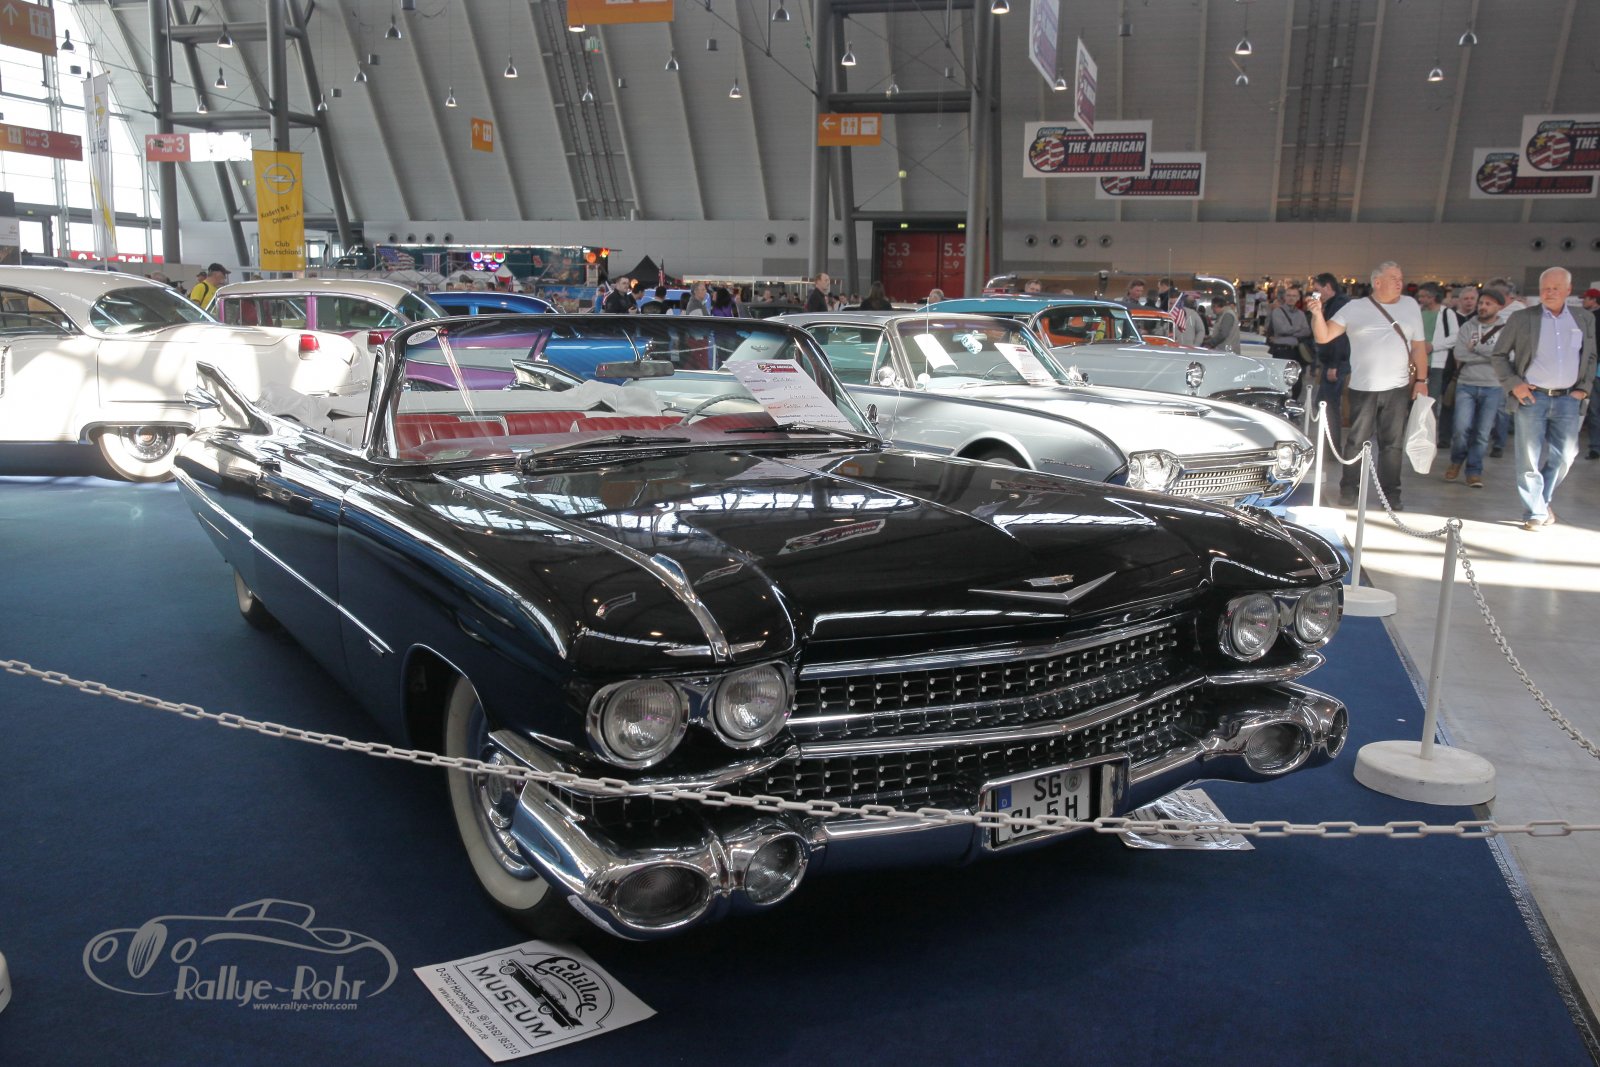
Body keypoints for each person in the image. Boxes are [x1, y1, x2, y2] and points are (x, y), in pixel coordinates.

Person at [1308, 261, 1429, 510]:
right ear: (1377, 282)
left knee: (1392, 445)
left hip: (1398, 387)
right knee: (1357, 440)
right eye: (1394, 278)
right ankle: (1348, 489)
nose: (1400, 282)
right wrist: (1317, 315)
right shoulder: (1355, 308)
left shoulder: (1410, 305)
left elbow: (1418, 347)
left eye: (1400, 277)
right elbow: (1323, 335)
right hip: (1363, 387)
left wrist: (1421, 381)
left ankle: (1391, 494)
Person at [1490, 267, 1598, 530]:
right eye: (1545, 288)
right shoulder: (1522, 318)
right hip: (1532, 398)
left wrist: (1583, 389)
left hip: (1568, 399)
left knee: (1565, 456)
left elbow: (1591, 355)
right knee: (1528, 459)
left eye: (1556, 288)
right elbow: (1499, 355)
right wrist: (1515, 385)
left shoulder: (1583, 318)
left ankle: (1542, 500)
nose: (1550, 293)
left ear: (1568, 290)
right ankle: (1534, 512)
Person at [1444, 286, 1509, 489]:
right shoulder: (1467, 327)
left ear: (1499, 307)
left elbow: (1507, 357)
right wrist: (1491, 355)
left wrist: (1477, 349)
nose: (1482, 307)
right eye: (1481, 303)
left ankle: (1474, 471)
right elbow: (1460, 354)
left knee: (1482, 433)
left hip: (1493, 386)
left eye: (1488, 304)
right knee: (1461, 428)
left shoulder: (1506, 330)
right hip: (1466, 384)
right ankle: (1456, 460)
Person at [1417, 282, 1461, 443]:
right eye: (1420, 296)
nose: (1421, 299)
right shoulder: (1418, 312)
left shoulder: (1446, 313)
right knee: (1416, 401)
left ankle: (1430, 435)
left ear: (1434, 297)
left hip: (1437, 363)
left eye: (1425, 296)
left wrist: (1434, 346)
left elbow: (1455, 336)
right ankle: (1417, 433)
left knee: (1432, 401)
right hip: (1418, 362)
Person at [1310, 274, 1351, 436]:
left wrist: (1334, 364)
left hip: (1337, 362)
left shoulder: (1339, 305)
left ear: (1327, 287)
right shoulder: (1333, 304)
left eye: (1317, 289)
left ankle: (1331, 443)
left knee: (1327, 404)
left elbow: (1339, 338)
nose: (1316, 294)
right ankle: (1329, 442)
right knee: (1323, 403)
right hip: (1332, 361)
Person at [1265, 285, 1312, 399]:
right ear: (1284, 297)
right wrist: (1298, 330)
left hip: (1296, 352)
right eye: (1289, 295)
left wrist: (1290, 331)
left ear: (1298, 298)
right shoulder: (1277, 312)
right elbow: (1282, 329)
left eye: (1294, 296)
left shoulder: (1301, 313)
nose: (1291, 298)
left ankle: (1293, 404)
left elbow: (1307, 331)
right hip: (1281, 351)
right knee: (1280, 381)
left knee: (1296, 382)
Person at [1583, 287, 1600, 458]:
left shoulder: (1591, 319)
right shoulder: (1589, 317)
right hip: (1595, 370)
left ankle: (1596, 447)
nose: (1583, 301)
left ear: (1594, 300)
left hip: (1594, 370)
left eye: (1586, 298)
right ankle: (1595, 446)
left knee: (1594, 411)